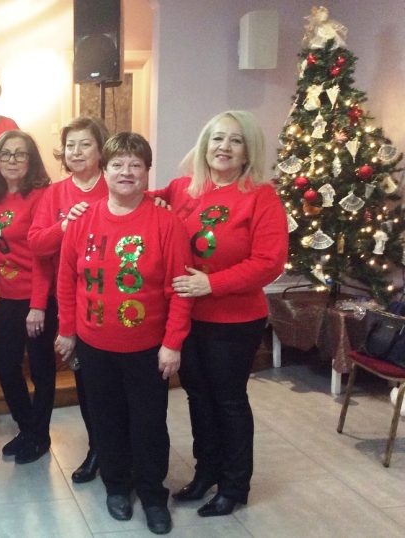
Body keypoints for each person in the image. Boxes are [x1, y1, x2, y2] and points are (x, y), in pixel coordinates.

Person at [151, 111, 288, 517]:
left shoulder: (261, 196)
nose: (224, 147)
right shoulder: (182, 188)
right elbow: (133, 195)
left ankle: (234, 485)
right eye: (217, 138)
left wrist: (211, 283)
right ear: (204, 144)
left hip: (235, 321)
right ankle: (205, 471)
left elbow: (269, 262)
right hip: (187, 316)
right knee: (197, 396)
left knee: (228, 401)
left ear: (248, 151)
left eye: (235, 140)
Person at [55, 132, 193, 535]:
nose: (126, 172)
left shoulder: (166, 223)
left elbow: (180, 289)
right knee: (107, 420)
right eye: (117, 164)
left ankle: (152, 494)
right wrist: (67, 331)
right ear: (105, 170)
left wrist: (172, 343)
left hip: (147, 349)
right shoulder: (82, 221)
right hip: (94, 346)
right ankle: (116, 486)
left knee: (149, 425)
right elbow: (67, 280)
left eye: (135, 164)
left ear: (147, 171)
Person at [28, 116, 109, 483]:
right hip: (71, 302)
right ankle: (97, 449)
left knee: (115, 384)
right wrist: (63, 226)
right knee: (86, 381)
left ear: (101, 150)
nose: (76, 152)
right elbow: (36, 244)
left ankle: (120, 449)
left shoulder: (115, 183)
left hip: (113, 300)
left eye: (85, 144)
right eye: (70, 145)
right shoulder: (54, 194)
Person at [0, 130, 56, 464]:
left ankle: (39, 435)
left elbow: (44, 256)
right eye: (6, 154)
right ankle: (28, 428)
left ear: (31, 160)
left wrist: (38, 306)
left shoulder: (41, 196)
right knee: (5, 364)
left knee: (40, 368)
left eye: (20, 154)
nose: (12, 160)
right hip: (9, 297)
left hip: (37, 297)